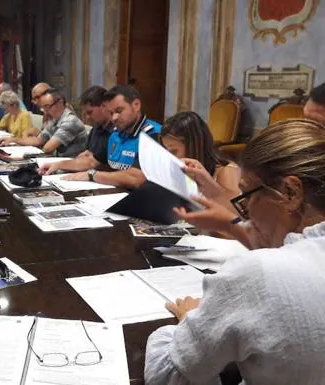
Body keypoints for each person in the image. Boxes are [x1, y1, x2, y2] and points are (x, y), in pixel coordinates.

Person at [145, 119, 325, 385]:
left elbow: (167, 375)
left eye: (247, 196)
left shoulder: (259, 272)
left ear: (291, 192)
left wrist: (188, 323)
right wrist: (231, 226)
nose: (246, 212)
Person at [61, 85, 160, 189]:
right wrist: (57, 165)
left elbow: (136, 178)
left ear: (136, 105)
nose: (114, 118)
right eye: (111, 113)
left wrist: (92, 175)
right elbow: (92, 161)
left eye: (119, 111)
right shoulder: (115, 133)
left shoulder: (154, 135)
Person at [161, 111, 241, 208]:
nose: (170, 157)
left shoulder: (226, 170)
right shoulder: (179, 168)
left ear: (194, 145)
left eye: (173, 151)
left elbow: (236, 211)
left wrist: (207, 182)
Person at [40, 85, 113, 175]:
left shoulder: (115, 131)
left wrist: (59, 165)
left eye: (90, 112)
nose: (87, 118)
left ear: (104, 106)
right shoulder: (97, 128)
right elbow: (86, 156)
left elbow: (93, 163)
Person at [0, 89, 87, 157]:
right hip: (59, 161)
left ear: (60, 103)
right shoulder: (55, 120)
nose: (45, 111)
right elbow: (38, 140)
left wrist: (38, 143)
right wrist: (14, 140)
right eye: (43, 108)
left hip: (72, 164)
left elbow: (48, 148)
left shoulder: (70, 121)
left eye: (47, 107)